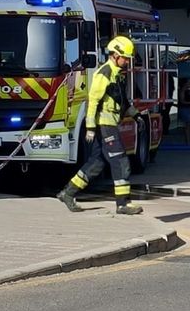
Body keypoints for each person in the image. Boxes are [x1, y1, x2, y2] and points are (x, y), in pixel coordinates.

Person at [57, 36, 143, 215]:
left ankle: (68, 192)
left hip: (109, 124)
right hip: (105, 125)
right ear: (114, 55)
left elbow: (123, 102)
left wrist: (137, 116)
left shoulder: (116, 74)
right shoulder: (104, 73)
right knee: (121, 162)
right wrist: (90, 127)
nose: (127, 62)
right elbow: (93, 101)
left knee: (97, 163)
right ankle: (122, 204)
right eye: (125, 58)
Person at [176, 78, 190, 145]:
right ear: (185, 84)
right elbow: (182, 101)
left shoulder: (187, 90)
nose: (189, 84)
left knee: (187, 126)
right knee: (187, 126)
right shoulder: (182, 91)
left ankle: (187, 141)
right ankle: (187, 141)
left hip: (187, 109)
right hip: (184, 109)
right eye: (188, 82)